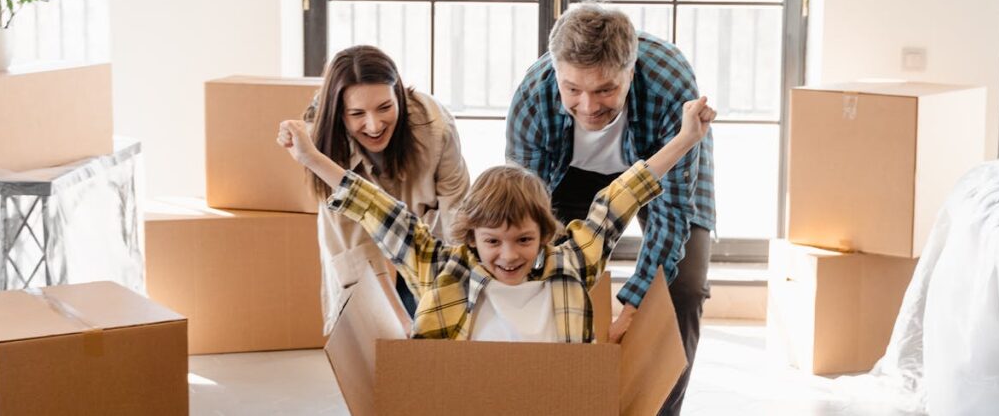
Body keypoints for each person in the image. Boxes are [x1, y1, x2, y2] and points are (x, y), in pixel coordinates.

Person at [278, 96, 714, 343]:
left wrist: (686, 138)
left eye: (524, 240)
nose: (508, 255)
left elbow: (620, 198)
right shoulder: (443, 271)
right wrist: (312, 158)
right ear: (471, 238)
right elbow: (376, 207)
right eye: (493, 242)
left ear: (546, 235)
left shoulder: (571, 265)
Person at [506, 3, 715, 414]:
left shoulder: (670, 85)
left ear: (630, 72)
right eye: (572, 90)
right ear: (555, 71)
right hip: (569, 174)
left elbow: (672, 210)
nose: (587, 106)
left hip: (658, 167)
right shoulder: (532, 96)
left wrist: (634, 303)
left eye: (604, 90)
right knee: (548, 274)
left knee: (684, 289)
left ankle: (656, 408)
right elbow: (521, 211)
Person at [302, 45, 469, 331]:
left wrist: (457, 294)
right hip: (361, 247)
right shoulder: (323, 146)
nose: (374, 125)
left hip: (425, 237)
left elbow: (458, 211)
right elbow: (357, 248)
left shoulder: (436, 127)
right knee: (380, 331)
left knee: (440, 325)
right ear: (339, 114)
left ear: (399, 96)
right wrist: (400, 323)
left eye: (384, 107)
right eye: (357, 113)